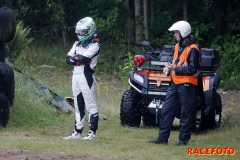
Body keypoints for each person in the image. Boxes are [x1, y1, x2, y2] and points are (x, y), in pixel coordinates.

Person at [149, 20, 200, 145]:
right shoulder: (177, 47)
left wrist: (174, 68)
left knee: (185, 112)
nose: (174, 35)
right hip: (175, 83)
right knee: (167, 109)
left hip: (187, 85)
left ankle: (183, 140)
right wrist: (168, 67)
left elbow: (192, 69)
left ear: (183, 32)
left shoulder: (193, 49)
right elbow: (176, 62)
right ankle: (162, 138)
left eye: (176, 32)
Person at [63, 17, 100, 140]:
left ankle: (92, 133)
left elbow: (84, 60)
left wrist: (76, 57)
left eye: (83, 31)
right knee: (78, 105)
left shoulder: (95, 45)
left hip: (86, 76)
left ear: (90, 30)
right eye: (79, 31)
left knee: (90, 104)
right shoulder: (77, 44)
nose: (80, 34)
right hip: (76, 75)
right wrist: (77, 58)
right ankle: (77, 132)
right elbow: (68, 59)